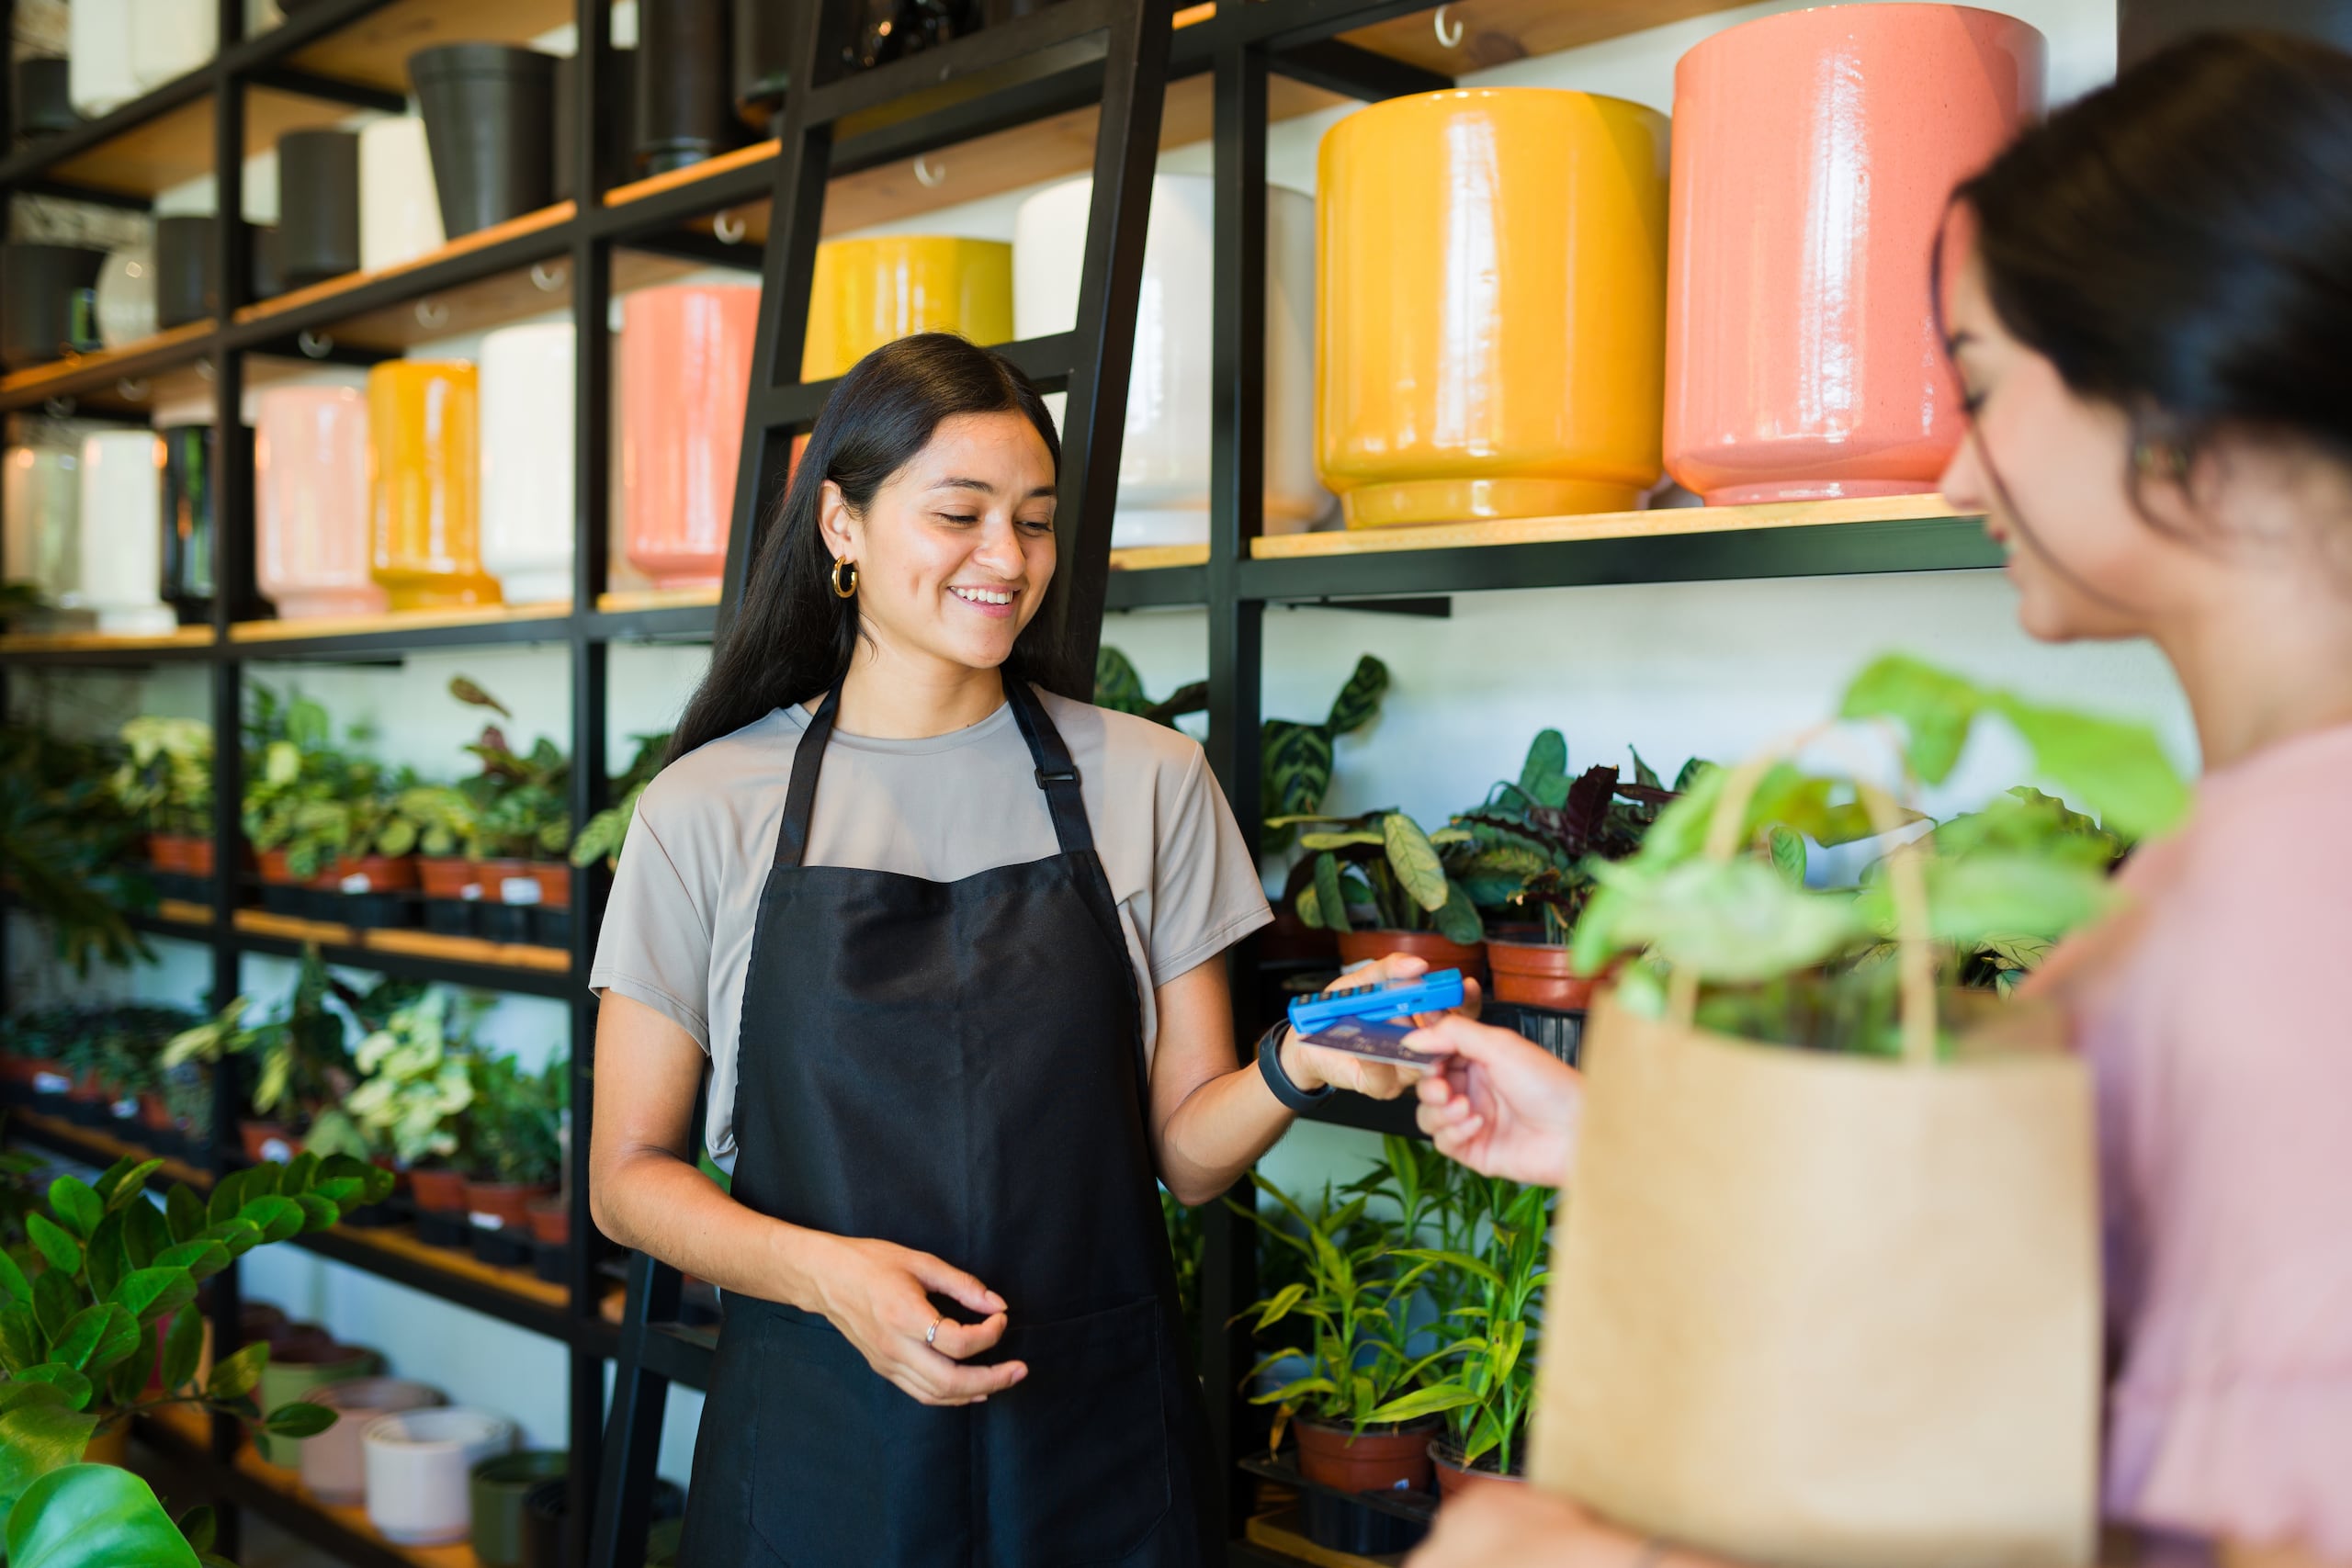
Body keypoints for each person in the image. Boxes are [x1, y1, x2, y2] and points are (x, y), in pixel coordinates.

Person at [1397, 32, 2352, 1568]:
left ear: (2179, 390)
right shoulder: (2244, 859)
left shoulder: (2294, 899)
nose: (1965, 474)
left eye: (1981, 386)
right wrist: (1619, 1143)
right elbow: (2073, 1293)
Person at [585, 333, 1419, 1567]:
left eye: (1034, 522)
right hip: (820, 1443)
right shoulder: (709, 808)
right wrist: (828, 1280)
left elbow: (1184, 1157)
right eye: (959, 515)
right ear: (842, 526)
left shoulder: (1148, 779)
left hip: (1095, 1447)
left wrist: (1301, 1064)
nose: (1008, 559)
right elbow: (627, 1178)